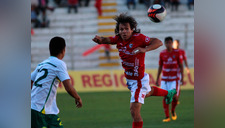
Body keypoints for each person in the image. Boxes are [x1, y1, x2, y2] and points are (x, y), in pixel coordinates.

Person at [92, 13, 177, 128]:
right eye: (121, 29)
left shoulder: (138, 38)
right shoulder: (118, 39)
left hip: (138, 81)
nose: (124, 32)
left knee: (134, 111)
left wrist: (144, 49)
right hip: (131, 80)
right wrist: (100, 40)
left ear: (132, 29)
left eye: (126, 29)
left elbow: (158, 42)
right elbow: (109, 40)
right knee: (147, 93)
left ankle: (168, 94)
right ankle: (168, 93)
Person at [31, 36, 83, 128]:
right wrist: (77, 97)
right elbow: (68, 87)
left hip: (48, 111)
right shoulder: (59, 64)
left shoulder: (42, 64)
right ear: (63, 50)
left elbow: (30, 81)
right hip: (38, 111)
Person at [155, 36, 183, 122]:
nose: (168, 44)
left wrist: (182, 77)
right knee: (165, 97)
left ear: (172, 43)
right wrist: (157, 79)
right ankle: (167, 116)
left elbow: (181, 65)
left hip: (174, 79)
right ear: (165, 44)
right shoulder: (162, 53)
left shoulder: (177, 53)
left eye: (170, 43)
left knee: (175, 97)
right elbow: (160, 66)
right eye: (166, 43)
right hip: (164, 79)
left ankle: (173, 110)